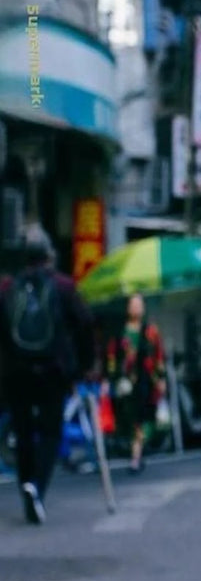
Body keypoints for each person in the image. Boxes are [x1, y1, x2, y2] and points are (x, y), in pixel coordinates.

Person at [0, 224, 95, 524]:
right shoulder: (64, 287)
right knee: (51, 432)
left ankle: (26, 484)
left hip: (14, 374)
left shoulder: (6, 289)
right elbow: (85, 326)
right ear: (49, 255)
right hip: (53, 373)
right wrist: (84, 367)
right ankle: (37, 489)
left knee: (23, 432)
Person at [104, 293, 167, 473]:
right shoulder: (120, 332)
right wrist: (111, 378)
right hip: (127, 383)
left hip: (147, 381)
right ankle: (136, 455)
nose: (136, 308)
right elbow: (112, 357)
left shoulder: (151, 332)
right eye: (133, 305)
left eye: (139, 305)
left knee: (147, 418)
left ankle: (137, 453)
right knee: (132, 418)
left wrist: (161, 378)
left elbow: (159, 356)